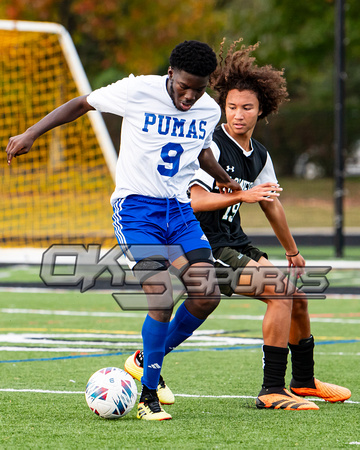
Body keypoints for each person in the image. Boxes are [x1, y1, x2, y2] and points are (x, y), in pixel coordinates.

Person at [4, 40, 258, 421]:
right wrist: (31, 133)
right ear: (170, 74)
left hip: (180, 212)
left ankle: (143, 360)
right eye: (183, 86)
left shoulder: (206, 109)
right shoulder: (137, 89)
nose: (190, 95)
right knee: (160, 294)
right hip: (137, 210)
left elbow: (202, 150)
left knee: (207, 294)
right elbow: (81, 103)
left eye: (199, 88)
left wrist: (226, 180)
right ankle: (148, 397)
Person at [187, 39, 351, 409]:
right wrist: (239, 196)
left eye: (247, 107)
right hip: (206, 247)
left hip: (236, 243)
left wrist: (293, 252)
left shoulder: (258, 154)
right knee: (279, 292)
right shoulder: (208, 147)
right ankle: (271, 390)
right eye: (231, 107)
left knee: (297, 293)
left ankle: (304, 381)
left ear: (262, 110)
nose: (238, 114)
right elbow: (195, 201)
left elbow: (271, 204)